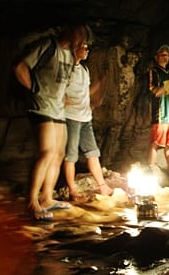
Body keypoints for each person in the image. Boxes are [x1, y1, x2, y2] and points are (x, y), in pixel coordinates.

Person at [13, 21, 89, 221]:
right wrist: (35, 90)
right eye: (79, 36)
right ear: (69, 31)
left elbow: (65, 80)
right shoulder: (49, 46)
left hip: (58, 109)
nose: (82, 41)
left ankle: (46, 197)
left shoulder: (70, 55)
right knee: (46, 152)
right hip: (42, 107)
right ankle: (31, 201)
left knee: (58, 154)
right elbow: (21, 67)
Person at [63, 41, 113, 201]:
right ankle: (72, 189)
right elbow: (59, 90)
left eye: (87, 47)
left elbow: (86, 91)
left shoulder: (84, 70)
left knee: (93, 152)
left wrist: (101, 84)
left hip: (85, 117)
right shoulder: (66, 70)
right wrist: (64, 100)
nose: (87, 50)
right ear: (74, 49)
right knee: (71, 155)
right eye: (84, 47)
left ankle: (102, 186)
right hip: (71, 116)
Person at [147, 44, 169, 171]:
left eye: (167, 55)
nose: (165, 57)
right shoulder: (154, 72)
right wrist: (167, 85)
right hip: (162, 112)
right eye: (162, 54)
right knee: (156, 142)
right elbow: (155, 92)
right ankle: (151, 168)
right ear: (156, 57)